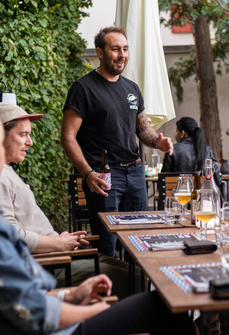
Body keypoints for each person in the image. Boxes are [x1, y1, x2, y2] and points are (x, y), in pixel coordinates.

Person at [0, 104, 194, 335]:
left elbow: (10, 298)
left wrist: (70, 296)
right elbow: (33, 314)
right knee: (167, 303)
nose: (30, 142)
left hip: (29, 317)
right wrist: (98, 310)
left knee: (160, 301)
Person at [0, 102, 139, 298]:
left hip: (57, 257)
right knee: (140, 281)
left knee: (142, 273)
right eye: (23, 135)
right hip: (47, 268)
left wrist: (60, 240)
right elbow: (7, 237)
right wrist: (58, 243)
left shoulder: (4, 170)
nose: (30, 142)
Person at [61, 26, 173, 258]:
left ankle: (138, 289)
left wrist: (157, 142)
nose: (122, 54)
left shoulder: (132, 88)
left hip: (135, 172)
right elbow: (68, 137)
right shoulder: (83, 88)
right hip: (103, 175)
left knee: (140, 237)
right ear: (100, 53)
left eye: (125, 49)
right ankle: (109, 291)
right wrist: (87, 173)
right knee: (107, 243)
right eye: (115, 49)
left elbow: (143, 129)